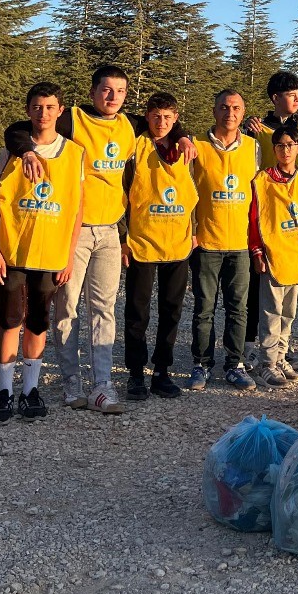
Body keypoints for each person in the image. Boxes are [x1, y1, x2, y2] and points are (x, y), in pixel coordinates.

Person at [3, 63, 193, 411]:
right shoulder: (73, 119)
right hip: (74, 229)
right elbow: (19, 129)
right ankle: (71, 382)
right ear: (92, 92)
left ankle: (102, 385)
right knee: (67, 308)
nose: (113, 97)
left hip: (109, 230)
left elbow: (164, 119)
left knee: (104, 308)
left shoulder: (129, 124)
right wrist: (27, 151)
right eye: (106, 90)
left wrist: (181, 134)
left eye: (120, 91)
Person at [0, 82, 85, 424]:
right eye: (37, 107)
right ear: (28, 110)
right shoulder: (11, 151)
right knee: (9, 319)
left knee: (38, 321)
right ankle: (3, 390)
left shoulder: (74, 154)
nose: (43, 113)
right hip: (14, 251)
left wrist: (70, 255)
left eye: (50, 107)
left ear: (61, 111)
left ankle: (30, 389)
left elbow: (76, 209)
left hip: (51, 253)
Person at [122, 92, 200, 402]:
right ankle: (135, 374)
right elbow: (123, 192)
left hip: (178, 244)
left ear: (176, 118)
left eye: (168, 117)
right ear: (147, 115)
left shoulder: (186, 150)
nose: (162, 122)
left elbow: (193, 192)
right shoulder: (136, 144)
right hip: (142, 242)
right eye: (156, 116)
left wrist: (193, 230)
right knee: (137, 312)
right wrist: (123, 236)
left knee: (171, 312)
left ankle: (162, 372)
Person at [187, 89, 260, 391]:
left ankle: (235, 364)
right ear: (214, 111)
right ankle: (201, 364)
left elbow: (258, 195)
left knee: (238, 308)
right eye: (224, 107)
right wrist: (191, 231)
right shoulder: (197, 145)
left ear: (243, 113)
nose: (230, 113)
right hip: (206, 241)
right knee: (204, 307)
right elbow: (186, 189)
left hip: (240, 243)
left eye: (236, 108)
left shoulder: (254, 147)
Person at [248, 123, 298, 385]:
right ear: (274, 149)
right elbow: (255, 217)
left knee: (289, 311)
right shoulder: (262, 180)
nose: (286, 150)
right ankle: (267, 362)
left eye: (290, 145)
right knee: (271, 311)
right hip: (274, 255)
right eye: (280, 145)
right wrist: (257, 251)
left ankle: (281, 356)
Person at [244, 69, 298, 354]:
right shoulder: (258, 128)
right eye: (290, 95)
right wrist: (247, 127)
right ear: (275, 98)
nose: (296, 100)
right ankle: (248, 344)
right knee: (259, 281)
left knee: (289, 285)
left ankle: (281, 346)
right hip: (263, 210)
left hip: (292, 216)